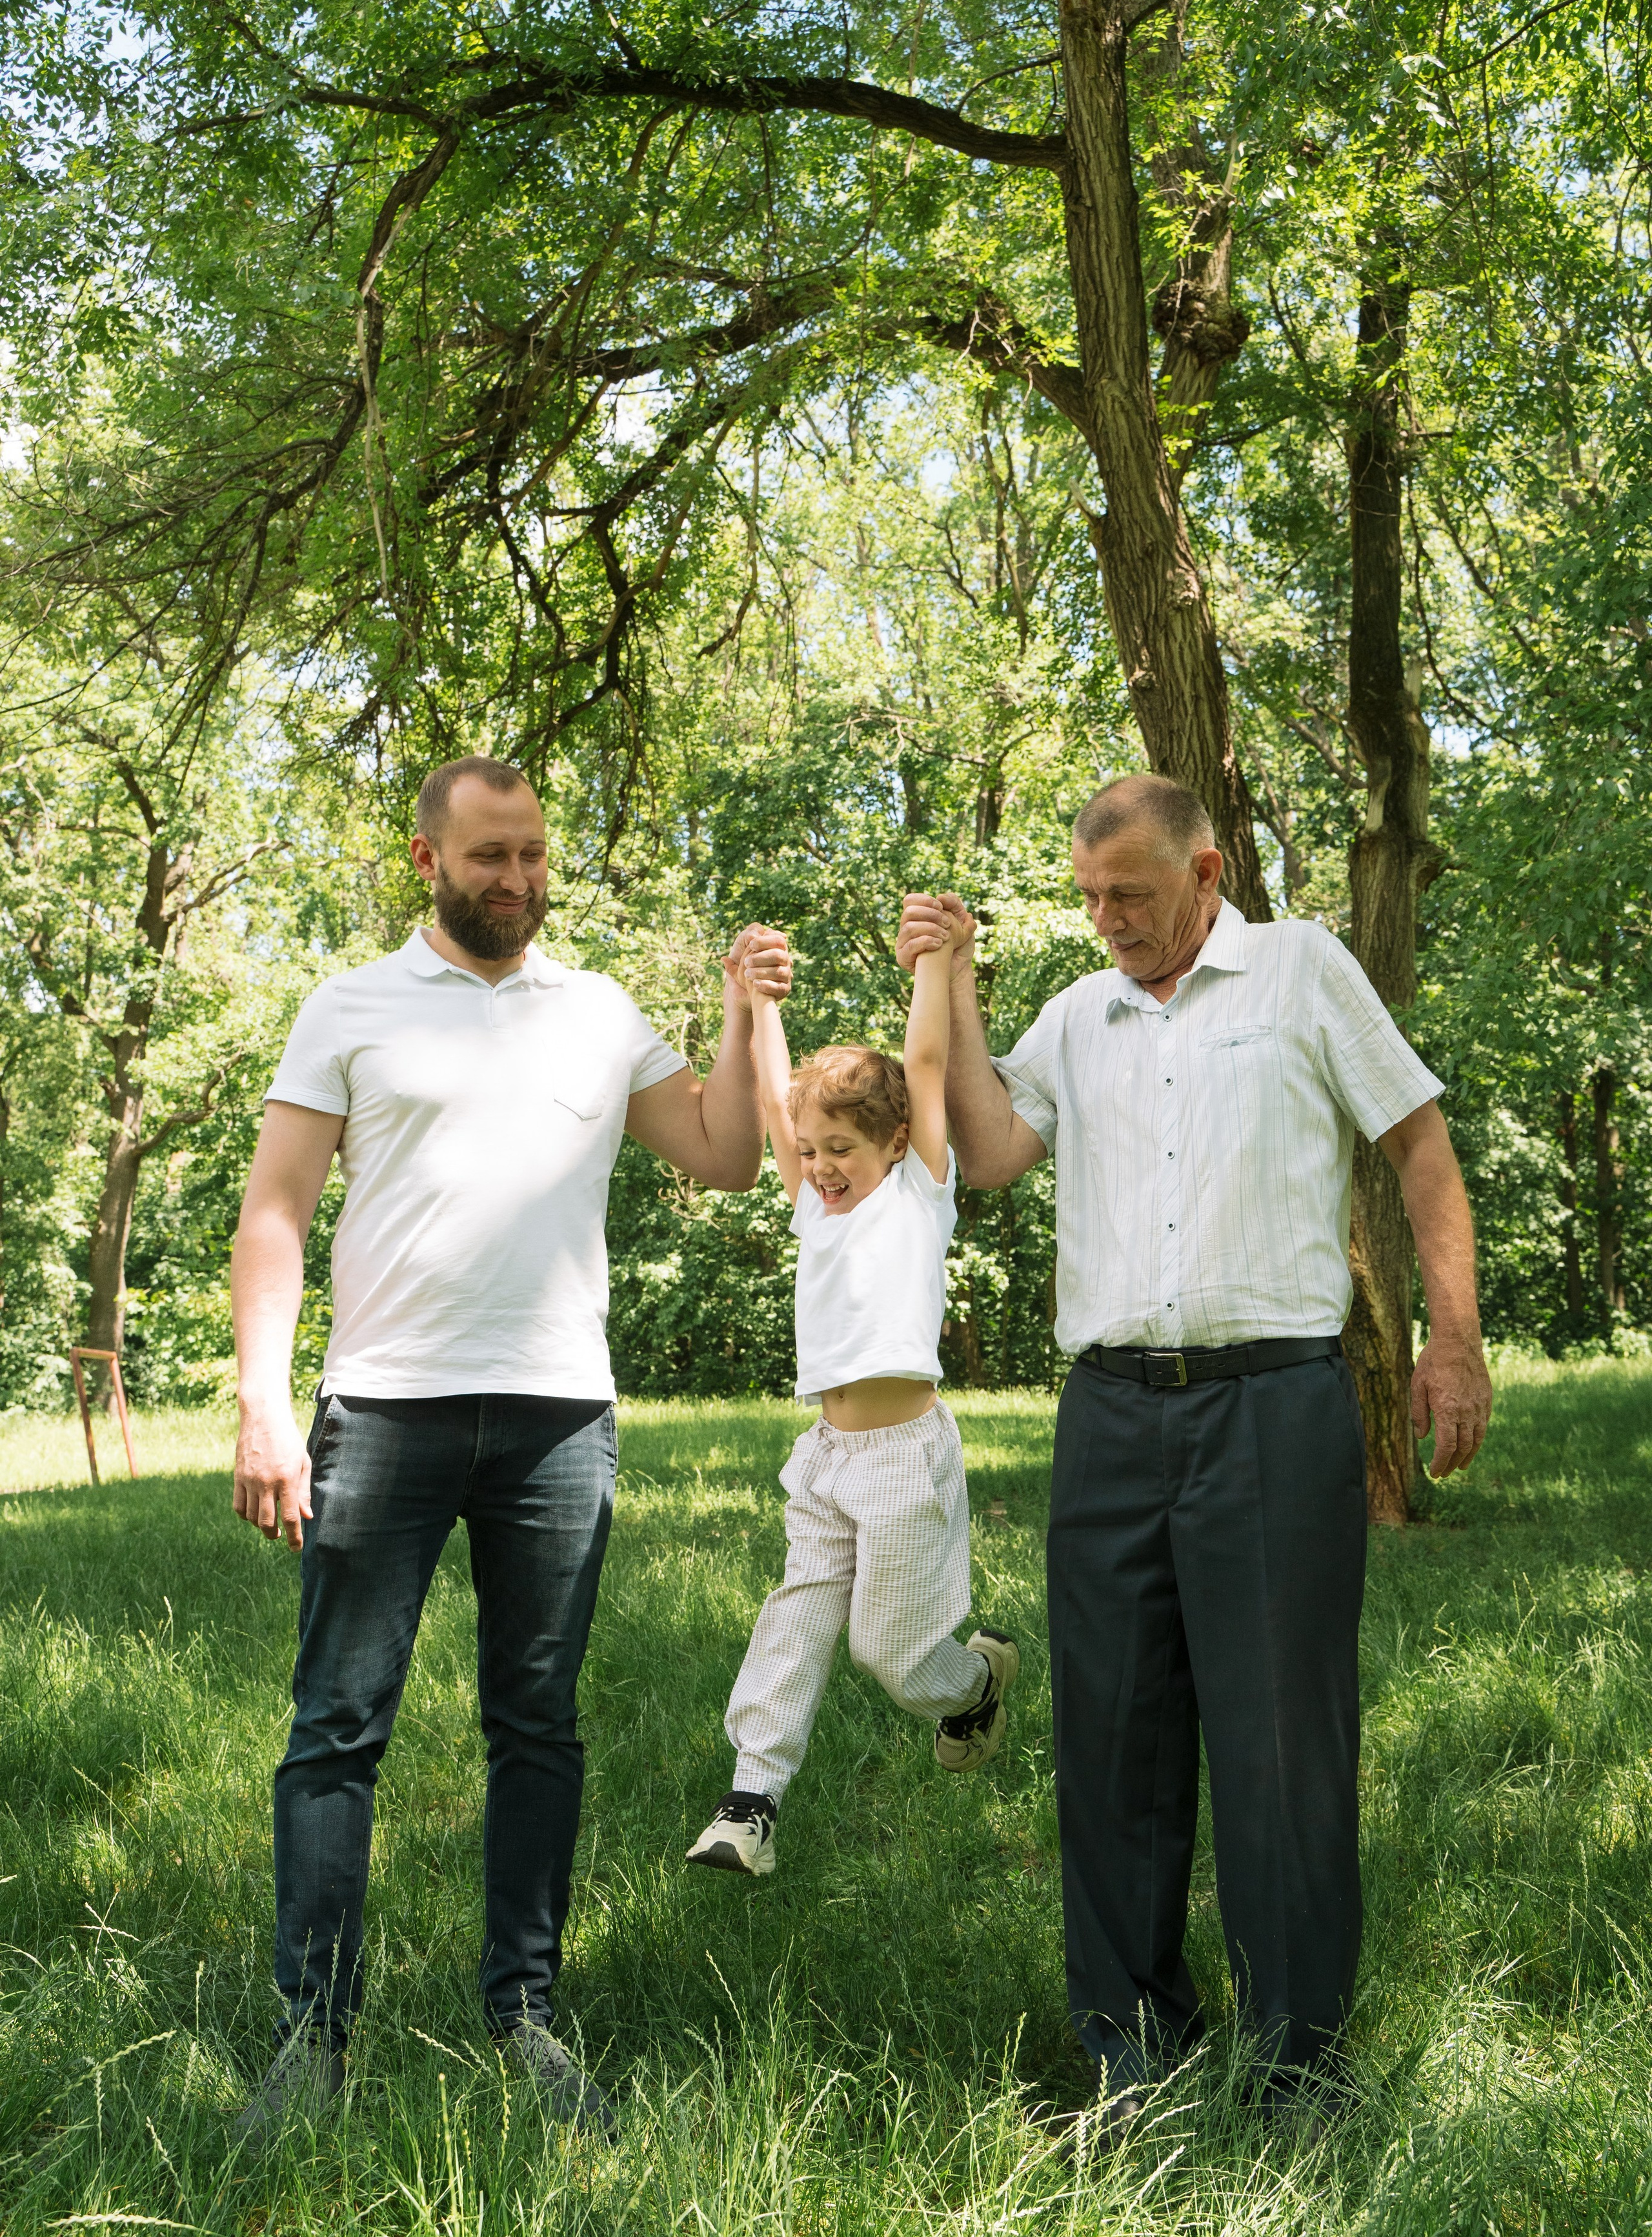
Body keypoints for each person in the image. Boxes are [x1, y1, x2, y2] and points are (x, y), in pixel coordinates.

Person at [897, 774, 1493, 2125]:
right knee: (1110, 1739)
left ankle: (1296, 2065)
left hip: (1272, 1403)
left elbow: (1416, 1144)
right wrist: (956, 974)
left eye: (1134, 895)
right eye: (1090, 896)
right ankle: (1129, 2054)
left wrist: (1447, 1340)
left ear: (1207, 873)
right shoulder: (1080, 1011)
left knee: (1281, 1738)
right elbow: (986, 1150)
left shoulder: (1296, 971)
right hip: (1108, 1412)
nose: (1108, 919)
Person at [230, 753, 791, 2137]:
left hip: (556, 1416)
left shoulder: (596, 1013)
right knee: (335, 1730)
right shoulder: (349, 1007)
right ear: (426, 860)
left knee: (535, 1725)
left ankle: (526, 2016)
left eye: (534, 855)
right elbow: (277, 1211)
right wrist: (258, 1400)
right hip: (384, 1404)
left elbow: (723, 1156)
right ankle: (314, 2036)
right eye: (490, 857)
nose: (519, 881)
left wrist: (737, 1011)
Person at [685, 906, 1018, 1880]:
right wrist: (755, 1000)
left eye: (842, 1149)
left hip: (904, 1458)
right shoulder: (812, 1205)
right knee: (793, 1619)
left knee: (893, 1653)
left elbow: (922, 1065)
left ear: (894, 1144)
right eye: (813, 1148)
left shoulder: (920, 1189)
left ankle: (970, 1686)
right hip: (826, 1458)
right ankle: (751, 1802)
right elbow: (771, 1094)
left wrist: (932, 963)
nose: (823, 1166)